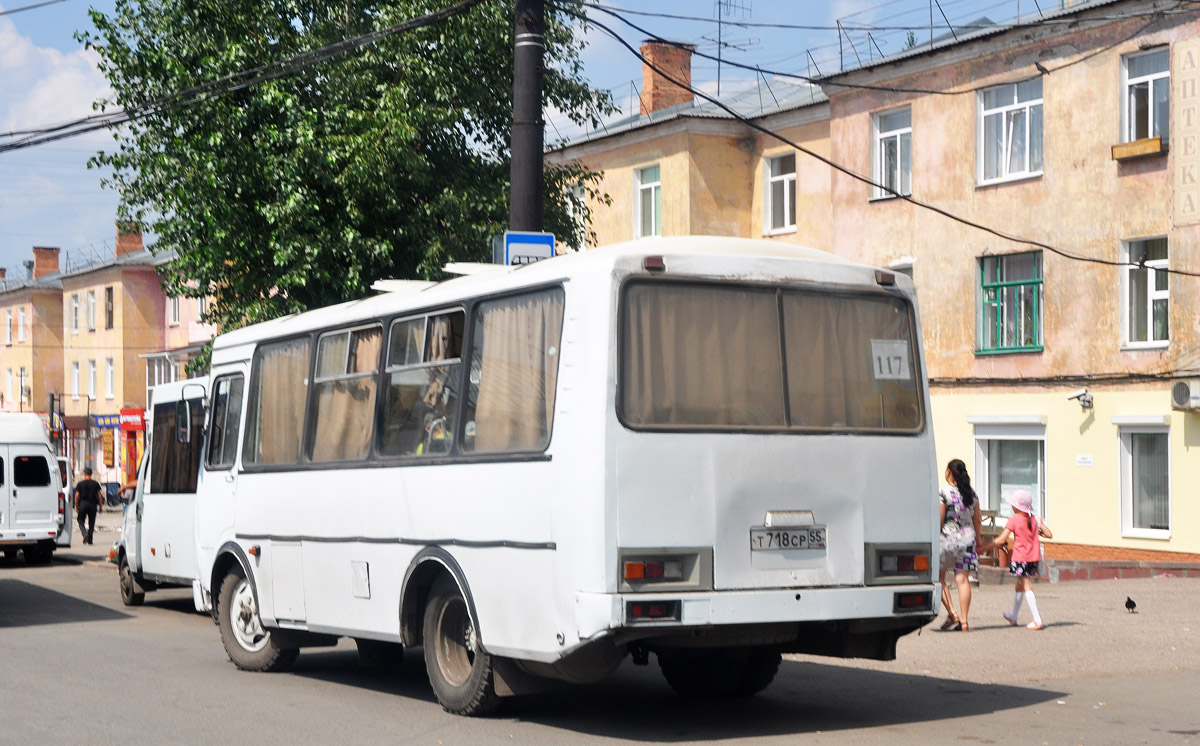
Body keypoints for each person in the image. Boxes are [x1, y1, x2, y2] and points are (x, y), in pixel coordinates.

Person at [982, 489, 1053, 630]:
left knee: (1026, 585)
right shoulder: (1035, 519)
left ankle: (1037, 619)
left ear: (1017, 506)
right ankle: (1013, 616)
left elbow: (1002, 539)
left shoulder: (1013, 520)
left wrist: (984, 548)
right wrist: (1037, 531)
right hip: (1033, 557)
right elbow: (1049, 534)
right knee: (1019, 585)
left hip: (1020, 557)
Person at [937, 459, 982, 631]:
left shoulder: (943, 493)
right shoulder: (972, 494)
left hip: (947, 539)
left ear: (948, 472)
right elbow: (977, 519)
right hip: (968, 539)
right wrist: (978, 539)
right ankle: (964, 621)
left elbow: (940, 519)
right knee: (963, 581)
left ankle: (952, 612)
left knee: (939, 579)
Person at [73, 467, 103, 545]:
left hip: (83, 504)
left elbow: (77, 495)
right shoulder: (95, 483)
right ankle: (90, 540)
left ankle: (84, 533)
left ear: (85, 474)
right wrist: (100, 506)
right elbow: (100, 495)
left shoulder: (80, 484)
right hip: (93, 505)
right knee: (91, 522)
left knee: (80, 520)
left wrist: (76, 505)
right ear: (91, 474)